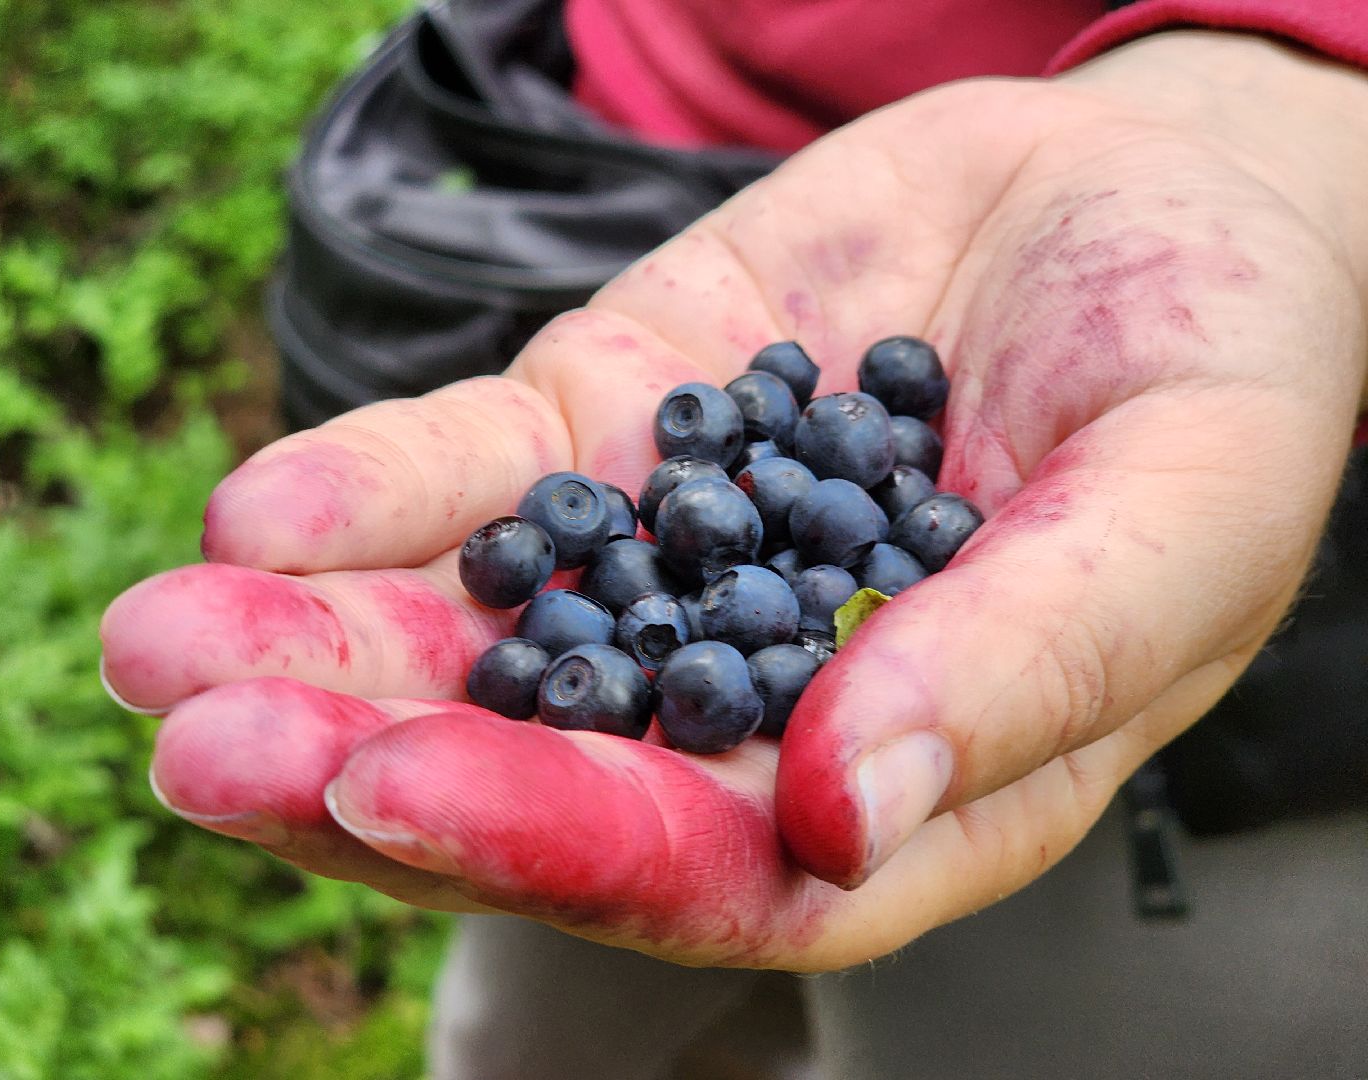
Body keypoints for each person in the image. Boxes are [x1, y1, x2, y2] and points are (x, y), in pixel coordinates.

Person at [101, 2, 1368, 1076]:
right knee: (551, 967)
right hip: (628, 142)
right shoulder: (683, 564)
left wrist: (1283, 107)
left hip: (1259, 645)